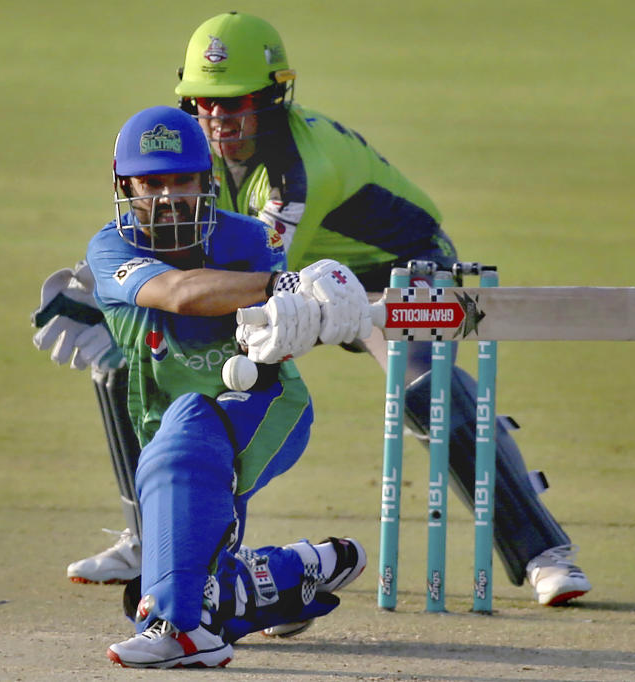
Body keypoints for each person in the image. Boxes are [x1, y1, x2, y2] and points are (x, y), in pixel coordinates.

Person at [36, 12, 590, 610]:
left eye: (237, 102)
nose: (218, 119)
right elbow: (177, 240)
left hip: (397, 273)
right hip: (302, 276)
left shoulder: (299, 170)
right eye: (203, 101)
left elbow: (266, 280)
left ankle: (542, 551)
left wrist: (174, 292)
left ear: (277, 95)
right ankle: (152, 538)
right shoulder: (198, 156)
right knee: (131, 356)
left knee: (423, 386)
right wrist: (106, 289)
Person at [78, 105, 369, 668]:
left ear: (207, 181)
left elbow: (280, 332)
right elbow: (180, 293)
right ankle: (290, 574)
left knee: (190, 424)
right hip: (161, 426)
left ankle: (184, 636)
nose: (167, 197)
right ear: (124, 185)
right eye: (150, 182)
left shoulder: (248, 239)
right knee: (169, 585)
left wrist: (314, 311)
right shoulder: (111, 248)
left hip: (265, 408)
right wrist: (280, 282)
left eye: (181, 180)